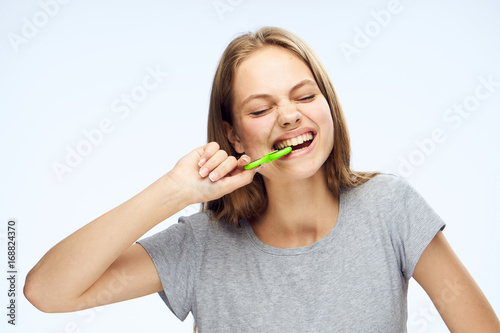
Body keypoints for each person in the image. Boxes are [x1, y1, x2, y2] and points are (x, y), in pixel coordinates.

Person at [24, 27, 499, 332]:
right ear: (233, 134)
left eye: (304, 96)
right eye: (261, 108)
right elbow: (47, 292)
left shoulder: (391, 208)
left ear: (327, 105)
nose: (289, 116)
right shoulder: (203, 245)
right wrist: (175, 190)